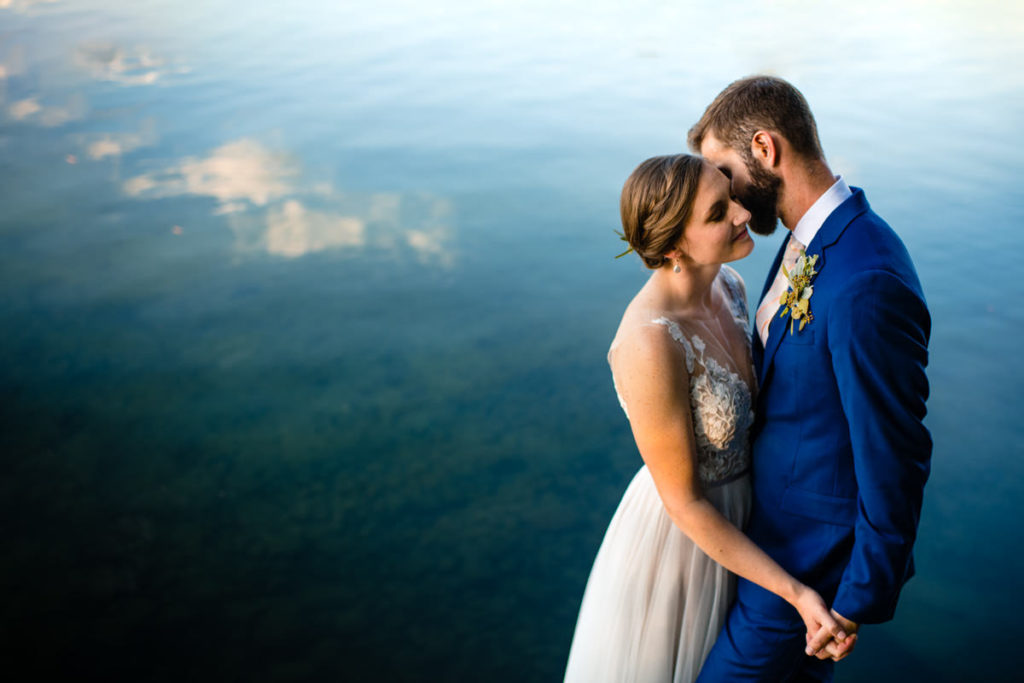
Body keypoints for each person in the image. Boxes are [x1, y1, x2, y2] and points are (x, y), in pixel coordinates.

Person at [564, 154, 848, 683]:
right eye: (719, 213)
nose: (743, 213)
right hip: (685, 543)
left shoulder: (732, 287)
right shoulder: (648, 341)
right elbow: (684, 502)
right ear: (674, 247)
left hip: (753, 520)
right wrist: (791, 589)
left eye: (730, 196)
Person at [689, 76, 932, 682]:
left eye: (723, 169)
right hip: (766, 547)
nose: (721, 191)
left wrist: (855, 600)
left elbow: (895, 454)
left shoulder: (864, 279)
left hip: (806, 571)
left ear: (766, 150)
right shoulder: (810, 238)